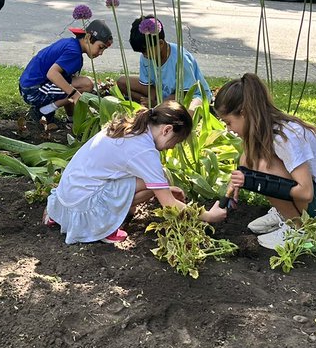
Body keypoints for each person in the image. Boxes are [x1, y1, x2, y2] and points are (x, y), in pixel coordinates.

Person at [44, 102, 226, 244]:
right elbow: (169, 204)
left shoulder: (130, 128)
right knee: (156, 181)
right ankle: (104, 228)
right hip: (84, 206)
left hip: (68, 197)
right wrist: (209, 216)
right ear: (167, 130)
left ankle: (61, 216)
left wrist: (166, 189)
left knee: (156, 182)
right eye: (175, 142)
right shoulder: (145, 151)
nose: (172, 147)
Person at [213, 73, 316, 251]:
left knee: (262, 170)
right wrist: (238, 179)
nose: (228, 129)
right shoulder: (265, 127)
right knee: (253, 162)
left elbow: (306, 192)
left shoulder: (286, 137)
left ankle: (298, 230)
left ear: (245, 114)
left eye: (229, 122)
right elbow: (246, 159)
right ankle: (285, 215)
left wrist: (254, 181)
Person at [19, 20, 113, 130]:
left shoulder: (71, 44)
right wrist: (75, 95)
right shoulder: (74, 53)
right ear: (87, 37)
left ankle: (52, 114)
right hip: (34, 91)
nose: (101, 53)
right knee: (86, 85)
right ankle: (42, 111)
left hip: (28, 86)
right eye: (100, 47)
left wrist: (72, 119)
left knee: (77, 86)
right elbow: (52, 74)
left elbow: (67, 85)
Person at [117, 14, 211, 107]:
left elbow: (185, 92)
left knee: (190, 110)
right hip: (161, 92)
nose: (144, 56)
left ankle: (159, 107)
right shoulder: (145, 57)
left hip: (190, 95)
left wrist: (158, 103)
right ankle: (151, 106)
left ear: (160, 43)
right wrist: (151, 100)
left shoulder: (181, 58)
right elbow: (150, 86)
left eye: (146, 51)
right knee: (122, 82)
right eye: (142, 52)